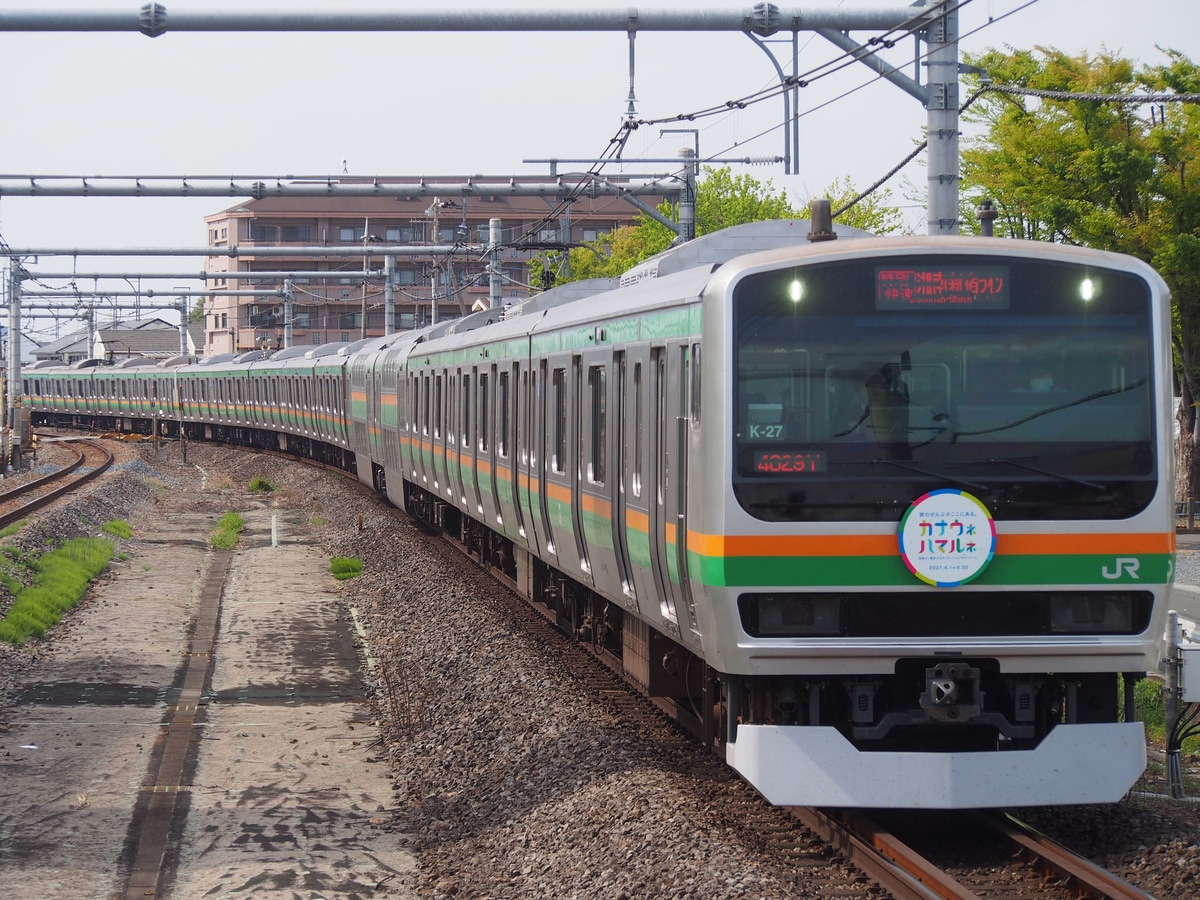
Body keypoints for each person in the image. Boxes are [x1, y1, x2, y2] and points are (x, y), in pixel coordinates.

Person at [865, 362, 911, 460]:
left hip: (895, 461)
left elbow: (887, 445)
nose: (873, 391)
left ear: (888, 386)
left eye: (878, 385)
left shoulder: (896, 406)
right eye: (870, 385)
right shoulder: (868, 409)